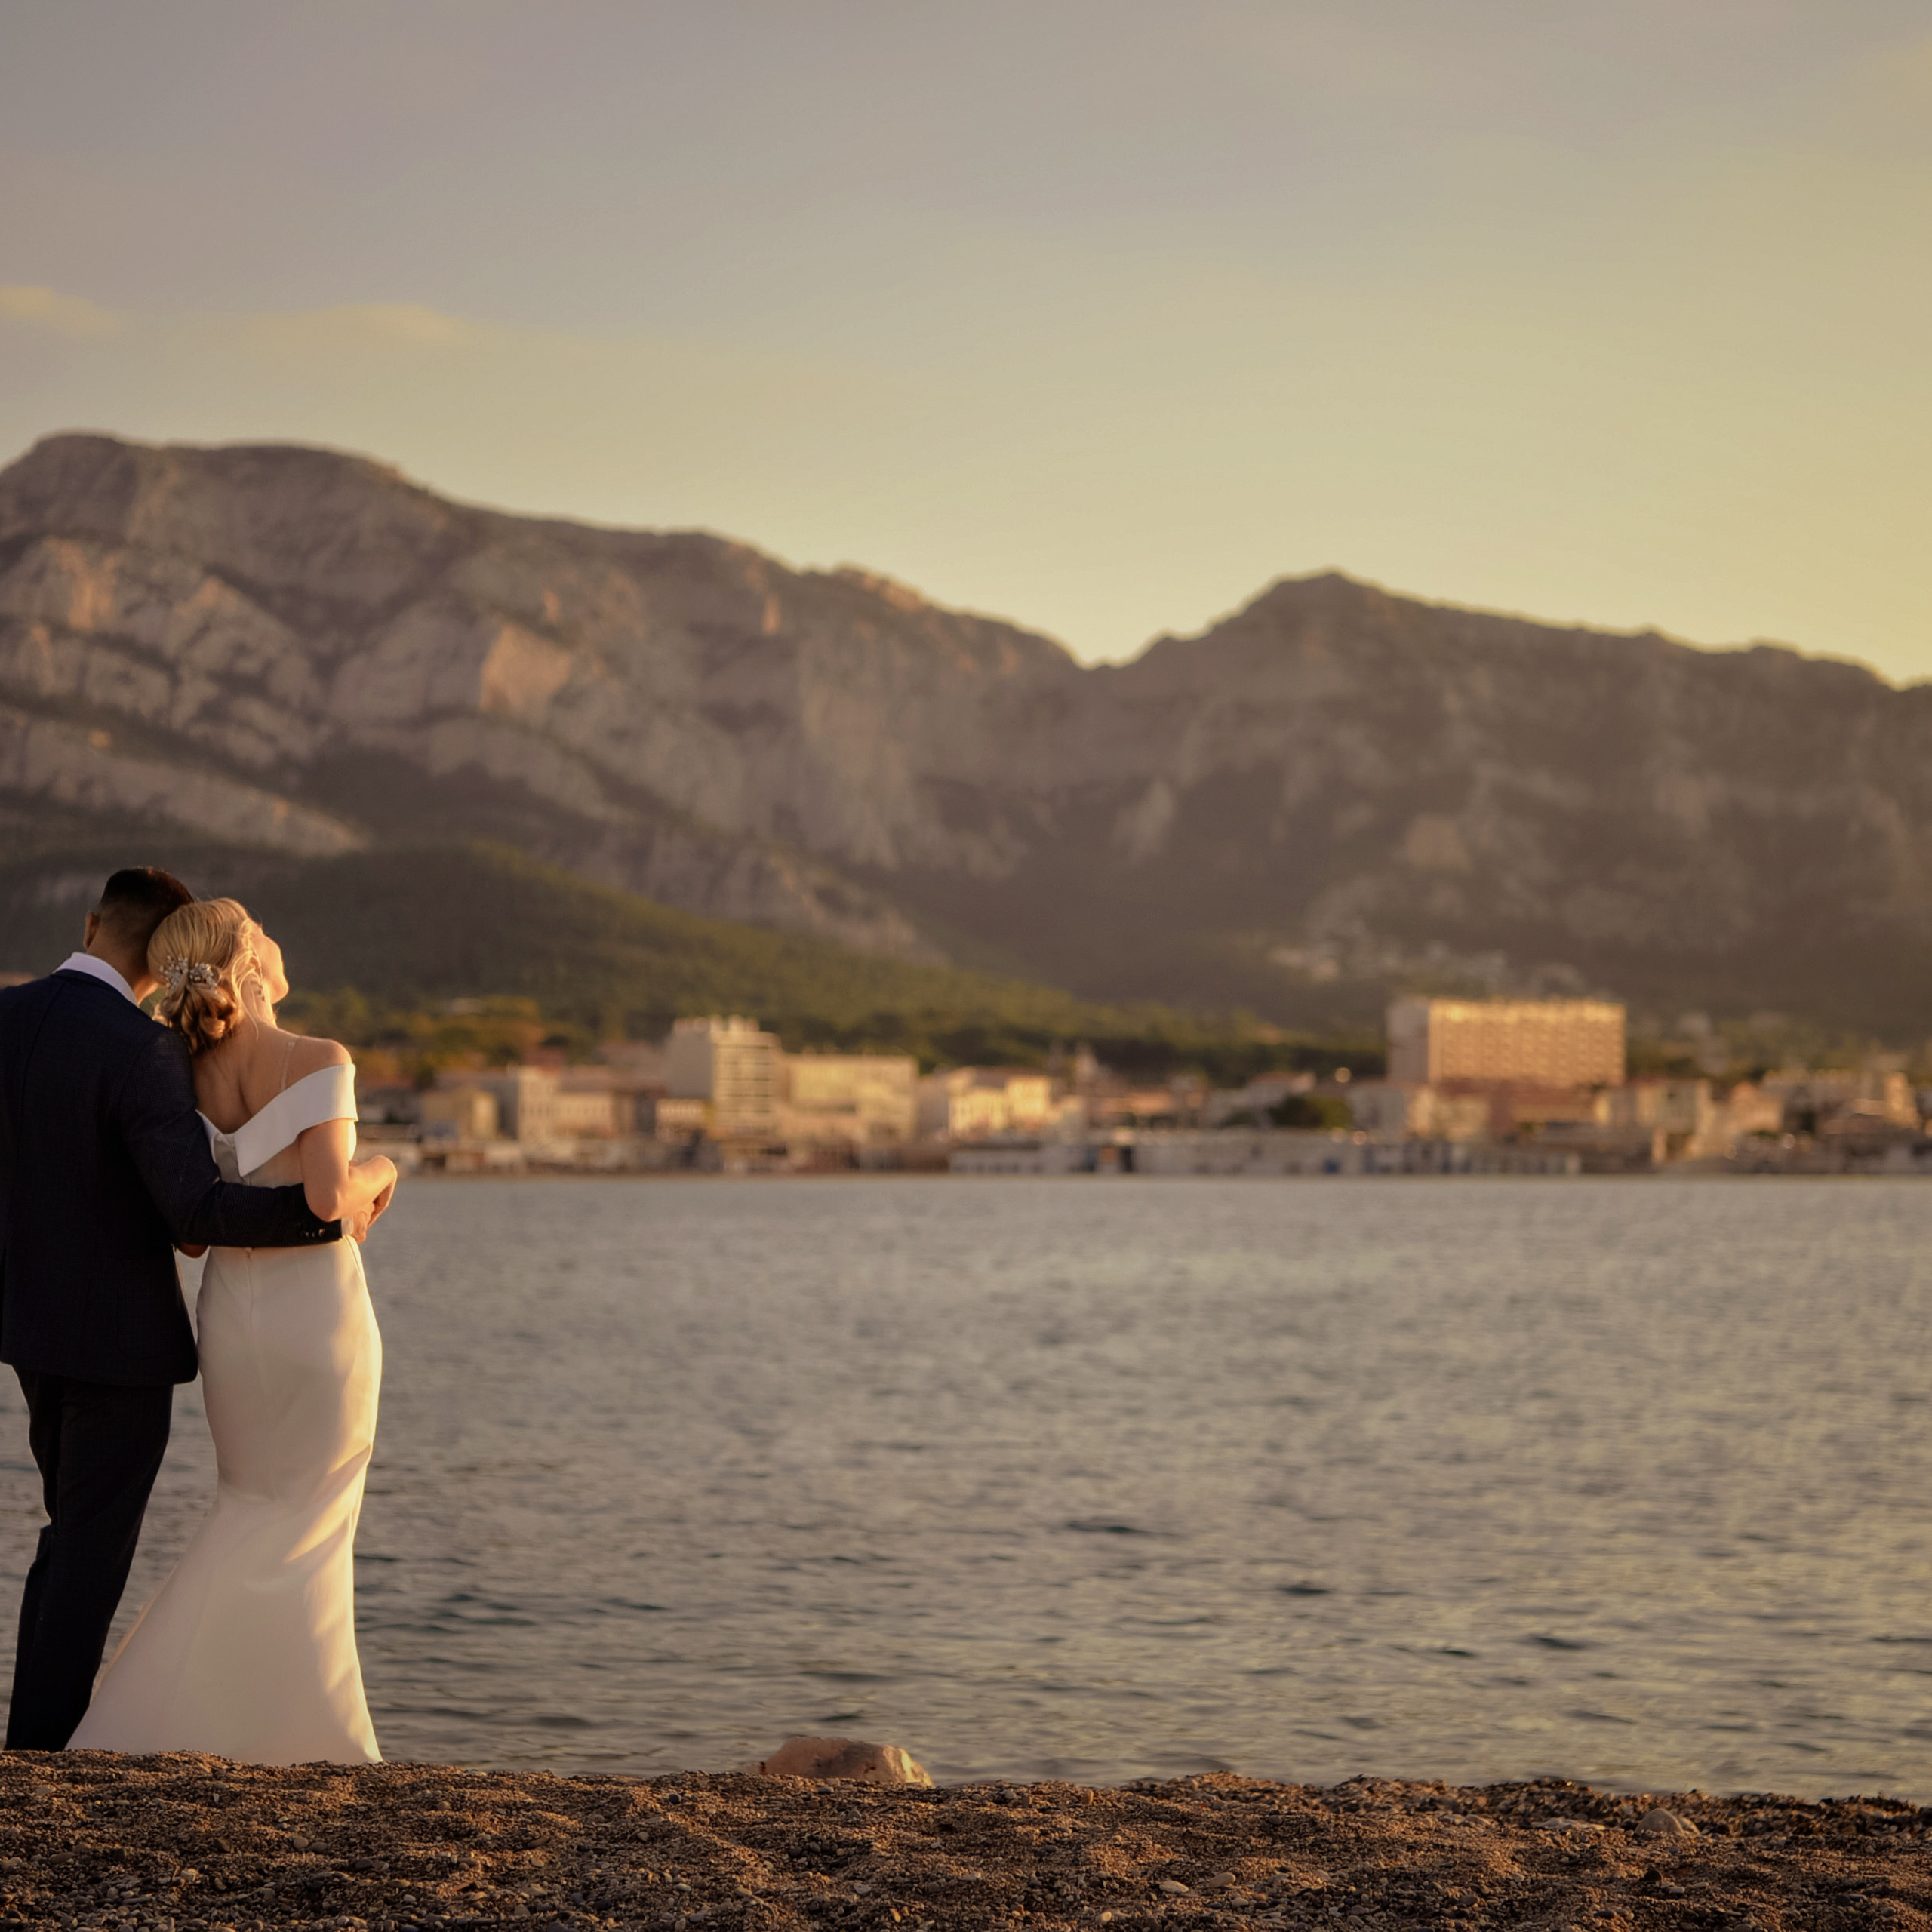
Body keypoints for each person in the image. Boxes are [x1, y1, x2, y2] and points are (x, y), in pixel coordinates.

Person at [0, 868, 358, 1752]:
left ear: (90, 922)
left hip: (26, 1330)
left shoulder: (5, 1018)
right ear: (167, 958)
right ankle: (44, 1749)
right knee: (89, 1542)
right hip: (120, 1341)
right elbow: (194, 1211)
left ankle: (36, 1735)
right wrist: (328, 1218)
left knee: (67, 1530)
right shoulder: (142, 1050)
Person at [69, 898, 397, 1763]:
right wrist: (386, 1167)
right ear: (248, 960)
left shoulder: (184, 1073)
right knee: (315, 1513)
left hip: (232, 1320)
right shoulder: (321, 1058)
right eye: (260, 926)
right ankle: (313, 1735)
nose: (275, 935)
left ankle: (175, 1719)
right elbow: (331, 1201)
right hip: (315, 1316)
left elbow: (191, 1230)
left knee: (250, 1506)